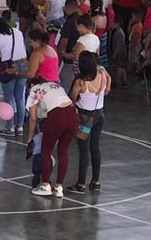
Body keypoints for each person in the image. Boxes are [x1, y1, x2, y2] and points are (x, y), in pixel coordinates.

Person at [26, 78, 76, 198]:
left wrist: (30, 138)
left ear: (32, 85)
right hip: (73, 116)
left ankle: (45, 185)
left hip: (57, 117)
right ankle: (59, 187)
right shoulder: (54, 85)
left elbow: (33, 119)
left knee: (45, 151)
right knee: (63, 151)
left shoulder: (35, 89)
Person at [70, 51, 110, 192]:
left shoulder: (80, 82)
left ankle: (81, 183)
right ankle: (96, 181)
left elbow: (72, 100)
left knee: (83, 150)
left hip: (84, 119)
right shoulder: (102, 76)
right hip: (99, 115)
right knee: (95, 147)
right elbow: (107, 89)